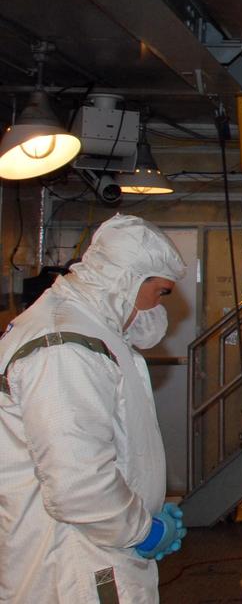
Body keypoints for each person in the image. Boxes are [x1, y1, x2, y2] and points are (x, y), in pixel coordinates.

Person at [0, 215, 188, 602]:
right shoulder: (64, 347)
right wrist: (144, 530)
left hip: (93, 551)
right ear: (129, 280)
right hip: (74, 566)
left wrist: (145, 509)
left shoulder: (86, 330)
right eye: (160, 292)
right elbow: (78, 483)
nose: (158, 306)